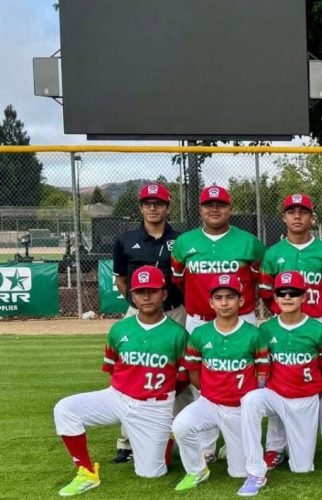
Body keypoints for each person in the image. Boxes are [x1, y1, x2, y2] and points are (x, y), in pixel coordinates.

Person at [52, 266, 188, 496]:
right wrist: (126, 389)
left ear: (164, 294)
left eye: (152, 291)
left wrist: (161, 398)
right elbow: (112, 368)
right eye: (140, 291)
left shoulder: (178, 334)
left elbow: (183, 378)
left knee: (152, 473)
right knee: (65, 409)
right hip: (116, 397)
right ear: (131, 296)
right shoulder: (119, 329)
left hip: (153, 406)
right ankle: (86, 472)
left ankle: (166, 436)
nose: (146, 297)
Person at [258, 194, 322, 468]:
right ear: (283, 217)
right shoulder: (273, 253)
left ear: (311, 217)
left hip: (318, 321)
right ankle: (275, 447)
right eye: (291, 211)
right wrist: (284, 316)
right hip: (281, 325)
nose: (297, 216)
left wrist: (314, 312)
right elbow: (265, 292)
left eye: (303, 212)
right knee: (277, 383)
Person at [239, 271, 322, 496]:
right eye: (282, 292)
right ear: (275, 297)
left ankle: (283, 448)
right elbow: (262, 367)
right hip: (275, 395)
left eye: (294, 292)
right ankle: (255, 470)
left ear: (303, 297)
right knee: (251, 400)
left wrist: (314, 395)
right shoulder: (266, 329)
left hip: (305, 398)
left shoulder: (319, 330)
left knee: (301, 468)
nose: (288, 297)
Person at [172, 274, 269, 491]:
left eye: (230, 297)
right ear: (211, 302)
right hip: (210, 402)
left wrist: (252, 404)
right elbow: (192, 371)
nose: (224, 303)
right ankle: (197, 470)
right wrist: (208, 391)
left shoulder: (254, 334)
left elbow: (263, 373)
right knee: (181, 425)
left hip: (239, 407)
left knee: (239, 472)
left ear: (241, 301)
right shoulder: (199, 333)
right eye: (218, 297)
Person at [110, 183, 184, 464]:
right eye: (148, 203)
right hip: (138, 313)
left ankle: (182, 435)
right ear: (141, 207)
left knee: (181, 375)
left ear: (167, 207)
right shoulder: (126, 239)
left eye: (159, 203)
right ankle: (127, 442)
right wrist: (137, 302)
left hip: (176, 311)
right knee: (132, 373)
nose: (153, 207)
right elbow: (121, 279)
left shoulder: (182, 240)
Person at [170, 185, 265, 334]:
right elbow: (180, 281)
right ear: (200, 210)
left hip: (241, 318)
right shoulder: (183, 242)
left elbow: (259, 280)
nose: (214, 209)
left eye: (221, 205)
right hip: (198, 320)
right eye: (208, 205)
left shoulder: (249, 242)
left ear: (230, 208)